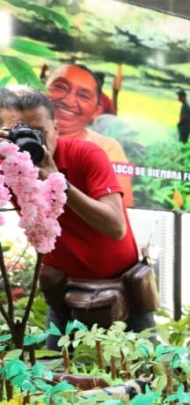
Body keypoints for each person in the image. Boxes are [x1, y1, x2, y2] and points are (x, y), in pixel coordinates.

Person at [0, 86, 152, 342]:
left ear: (56, 128)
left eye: (37, 133)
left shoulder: (85, 154)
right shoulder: (6, 163)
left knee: (145, 364)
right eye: (17, 133)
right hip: (63, 292)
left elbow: (116, 226)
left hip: (122, 292)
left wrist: (59, 182)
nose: (28, 143)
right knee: (56, 364)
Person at [45, 63, 133, 207]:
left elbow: (121, 210)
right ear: (39, 90)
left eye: (83, 96)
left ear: (97, 110)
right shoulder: (13, 135)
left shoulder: (107, 148)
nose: (68, 101)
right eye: (60, 87)